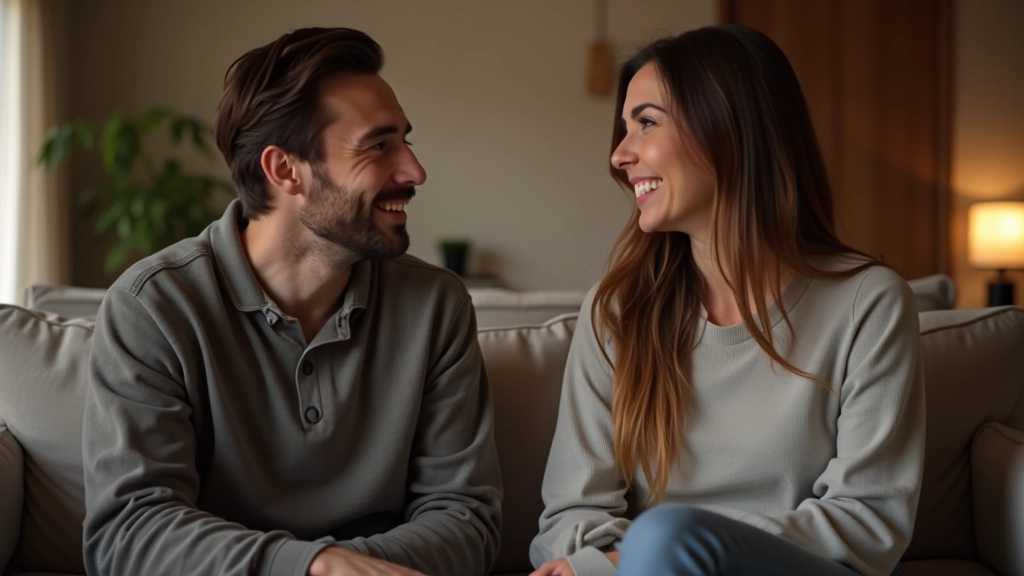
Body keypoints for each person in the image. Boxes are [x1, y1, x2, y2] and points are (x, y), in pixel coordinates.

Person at [82, 27, 502, 576]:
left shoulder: (435, 305)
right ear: (284, 170)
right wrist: (313, 568)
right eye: (379, 145)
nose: (414, 171)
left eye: (406, 140)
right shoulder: (153, 308)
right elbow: (128, 533)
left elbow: (467, 519)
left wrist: (335, 568)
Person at [529, 25, 924, 576]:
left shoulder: (869, 303)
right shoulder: (617, 310)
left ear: (729, 128)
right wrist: (615, 559)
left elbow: (868, 519)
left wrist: (659, 549)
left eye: (645, 123)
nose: (619, 155)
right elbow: (573, 512)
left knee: (665, 535)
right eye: (623, 129)